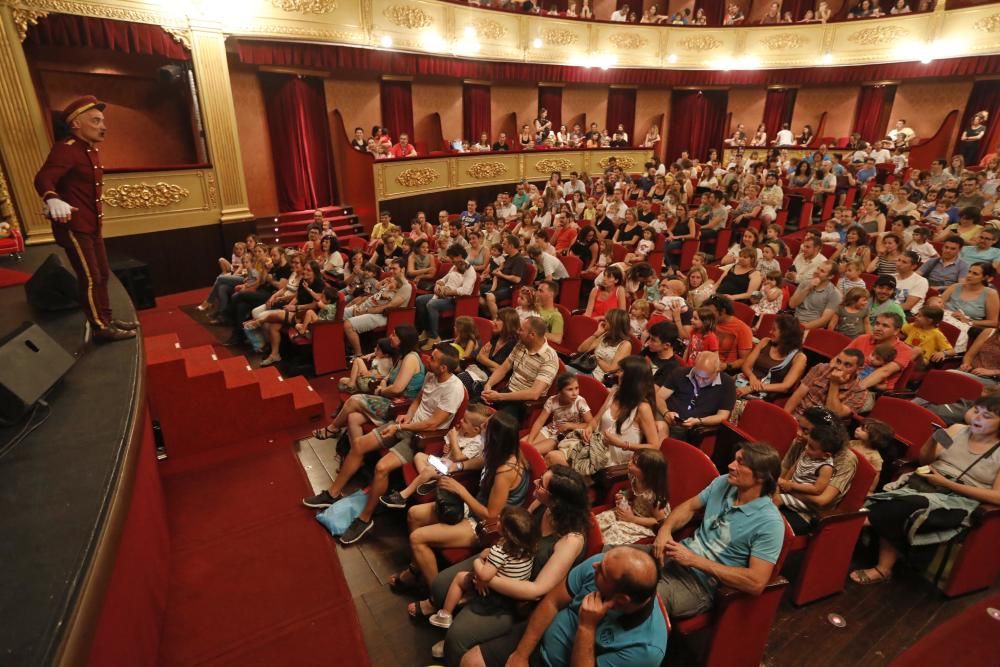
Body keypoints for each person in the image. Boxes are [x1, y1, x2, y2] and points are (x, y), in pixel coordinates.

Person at [428, 465, 591, 663]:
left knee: (457, 639)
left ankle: (454, 645)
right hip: (505, 561)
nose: (535, 483)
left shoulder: (571, 540)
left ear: (557, 501)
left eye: (541, 485)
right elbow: (518, 533)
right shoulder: (543, 505)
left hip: (518, 592)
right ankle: (458, 610)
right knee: (439, 586)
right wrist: (492, 556)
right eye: (540, 478)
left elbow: (537, 590)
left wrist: (487, 578)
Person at [307, 344, 463, 546]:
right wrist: (407, 414)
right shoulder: (431, 375)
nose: (428, 360)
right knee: (360, 445)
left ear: (443, 367)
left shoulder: (454, 388)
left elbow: (432, 423)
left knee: (381, 468)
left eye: (433, 358)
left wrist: (401, 428)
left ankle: (364, 519)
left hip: (422, 438)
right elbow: (418, 400)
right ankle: (332, 493)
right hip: (407, 424)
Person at [851, 395, 1000, 585]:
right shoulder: (956, 431)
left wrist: (947, 484)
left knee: (897, 507)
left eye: (986, 416)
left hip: (958, 500)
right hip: (927, 483)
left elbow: (997, 497)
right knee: (896, 504)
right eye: (976, 412)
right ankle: (869, 552)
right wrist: (932, 441)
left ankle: (870, 554)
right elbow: (925, 461)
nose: (977, 418)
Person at [639, 442, 785, 619]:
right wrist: (665, 530)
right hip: (676, 554)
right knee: (609, 559)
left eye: (740, 462)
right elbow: (690, 507)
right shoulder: (724, 482)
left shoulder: (770, 523)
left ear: (761, 476)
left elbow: (756, 582)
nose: (731, 465)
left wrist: (694, 560)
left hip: (700, 584)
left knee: (639, 596)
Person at [33, 95, 138, 342]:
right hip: (75, 225)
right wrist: (51, 198)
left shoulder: (88, 150)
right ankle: (100, 327)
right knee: (90, 276)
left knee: (101, 273)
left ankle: (107, 319)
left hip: (91, 224)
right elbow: (44, 178)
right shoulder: (66, 149)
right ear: (76, 124)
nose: (103, 126)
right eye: (96, 121)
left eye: (102, 121)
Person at [469, 546, 667, 667]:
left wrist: (587, 627)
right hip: (538, 638)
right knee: (471, 662)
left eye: (603, 572)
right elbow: (552, 603)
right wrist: (521, 655)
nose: (595, 566)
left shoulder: (646, 650)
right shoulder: (601, 564)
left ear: (622, 599)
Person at [429, 505, 538, 630]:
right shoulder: (529, 549)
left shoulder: (500, 551)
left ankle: (445, 615)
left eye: (500, 521)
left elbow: (484, 576)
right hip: (512, 594)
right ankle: (463, 602)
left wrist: (478, 559)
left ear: (507, 532)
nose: (497, 521)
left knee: (459, 578)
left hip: (495, 594)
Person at [549, 356, 661, 474]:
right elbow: (596, 420)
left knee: (553, 458)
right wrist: (589, 428)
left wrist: (622, 444)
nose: (617, 374)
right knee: (552, 456)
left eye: (622, 371)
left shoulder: (643, 408)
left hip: (612, 462)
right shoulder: (615, 393)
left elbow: (654, 447)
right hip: (594, 449)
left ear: (631, 377)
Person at [777, 407, 849, 533]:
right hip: (785, 496)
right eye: (799, 426)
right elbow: (784, 474)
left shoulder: (845, 460)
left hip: (809, 514)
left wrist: (789, 487)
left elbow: (821, 501)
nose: (798, 433)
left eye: (805, 430)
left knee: (763, 519)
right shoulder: (801, 443)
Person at [482, 316, 559, 424]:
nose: (518, 331)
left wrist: (499, 397)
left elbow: (534, 393)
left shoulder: (549, 358)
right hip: (506, 392)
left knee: (493, 423)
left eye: (521, 330)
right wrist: (489, 385)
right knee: (474, 408)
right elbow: (503, 368)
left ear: (532, 335)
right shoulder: (521, 344)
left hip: (522, 403)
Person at [596, 449, 670, 545]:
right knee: (602, 520)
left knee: (615, 531)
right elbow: (634, 491)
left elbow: (658, 522)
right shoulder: (636, 477)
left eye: (635, 464)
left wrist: (632, 519)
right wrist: (624, 495)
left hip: (644, 523)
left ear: (648, 473)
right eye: (631, 460)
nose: (629, 463)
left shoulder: (655, 497)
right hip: (633, 512)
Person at [660, 352, 736, 441]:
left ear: (717, 372)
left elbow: (722, 416)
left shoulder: (727, 384)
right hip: (667, 416)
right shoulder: (680, 373)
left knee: (676, 431)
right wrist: (665, 412)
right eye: (697, 376)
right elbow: (659, 397)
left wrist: (699, 421)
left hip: (692, 427)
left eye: (705, 378)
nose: (700, 381)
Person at [415, 243, 477, 348]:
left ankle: (434, 337)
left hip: (456, 300)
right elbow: (443, 279)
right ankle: (427, 330)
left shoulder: (470, 271)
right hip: (444, 295)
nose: (451, 260)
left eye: (453, 258)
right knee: (420, 300)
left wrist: (448, 292)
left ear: (460, 256)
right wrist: (438, 286)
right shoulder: (455, 267)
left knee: (432, 304)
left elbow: (465, 291)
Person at [784, 349, 870, 419]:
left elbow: (833, 414)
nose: (839, 367)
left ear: (859, 370)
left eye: (847, 365)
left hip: (821, 428)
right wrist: (785, 417)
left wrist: (834, 383)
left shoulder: (860, 392)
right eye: (838, 362)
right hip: (798, 414)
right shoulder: (821, 368)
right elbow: (798, 395)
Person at [848, 312, 916, 391]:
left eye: (885, 326)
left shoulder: (905, 350)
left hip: (871, 389)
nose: (878, 328)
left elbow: (884, 372)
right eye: (877, 324)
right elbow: (840, 358)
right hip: (848, 378)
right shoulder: (863, 338)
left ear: (896, 331)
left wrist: (854, 388)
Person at [703, 294, 754, 373]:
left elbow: (745, 360)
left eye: (711, 313)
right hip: (702, 361)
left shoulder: (743, 329)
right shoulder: (710, 321)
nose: (708, 315)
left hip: (723, 370)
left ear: (723, 311)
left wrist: (726, 366)